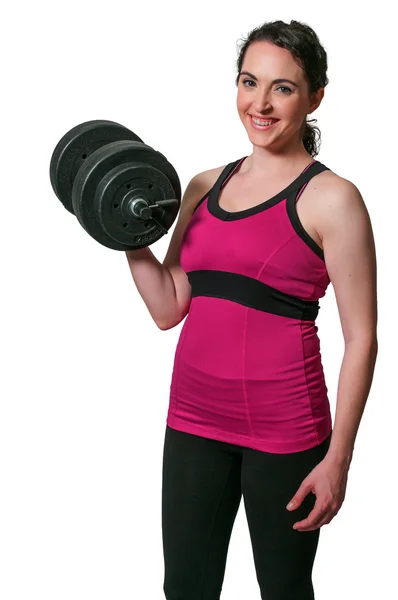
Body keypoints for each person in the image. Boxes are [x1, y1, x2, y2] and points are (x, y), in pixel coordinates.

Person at [125, 19, 378, 600]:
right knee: (186, 588)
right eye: (249, 82)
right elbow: (168, 307)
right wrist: (127, 237)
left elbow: (361, 337)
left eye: (282, 88)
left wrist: (338, 459)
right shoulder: (201, 186)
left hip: (287, 432)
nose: (260, 104)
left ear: (315, 97)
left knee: (284, 589)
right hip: (192, 421)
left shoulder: (332, 199)